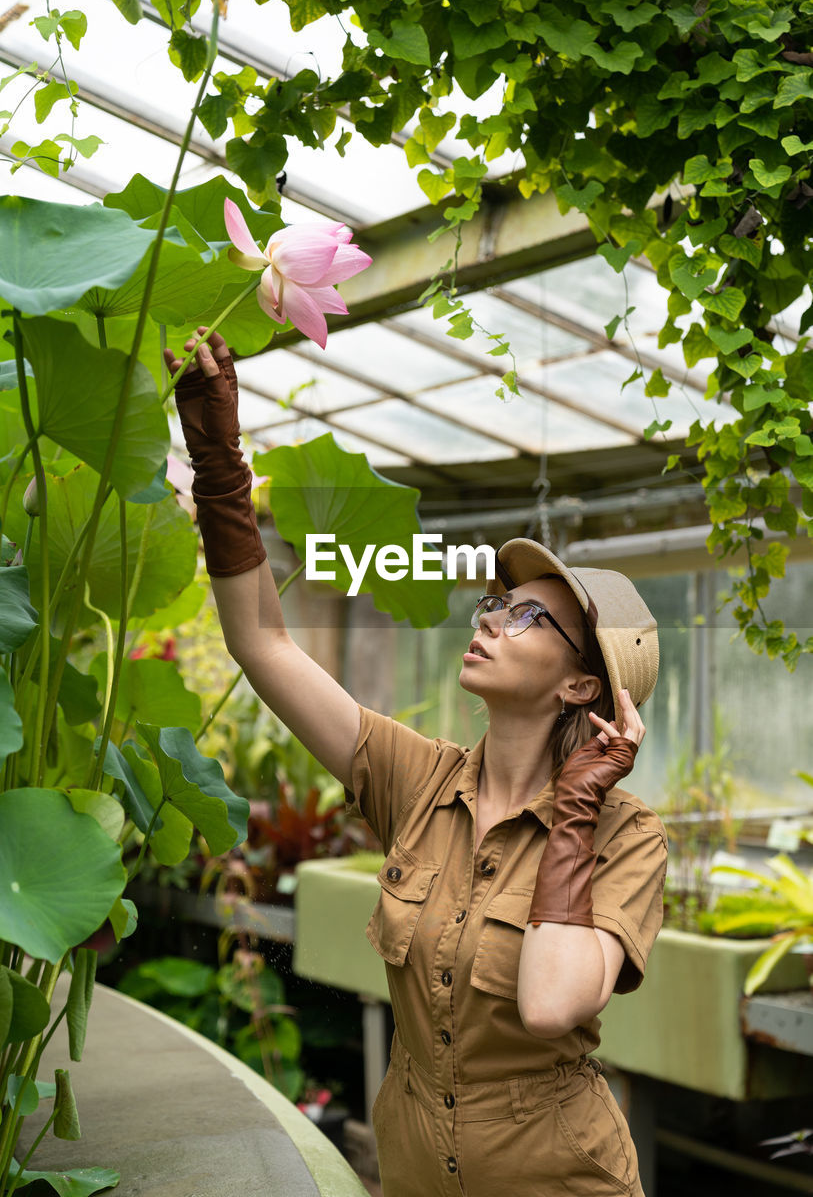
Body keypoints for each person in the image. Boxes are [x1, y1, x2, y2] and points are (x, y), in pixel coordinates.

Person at [165, 329, 668, 1197]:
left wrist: (578, 804)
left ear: (582, 684)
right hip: (412, 1167)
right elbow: (261, 644)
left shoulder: (627, 840)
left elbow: (549, 1004)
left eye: (526, 619)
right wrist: (218, 464)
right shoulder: (418, 778)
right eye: (494, 602)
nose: (488, 620)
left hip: (557, 1177)